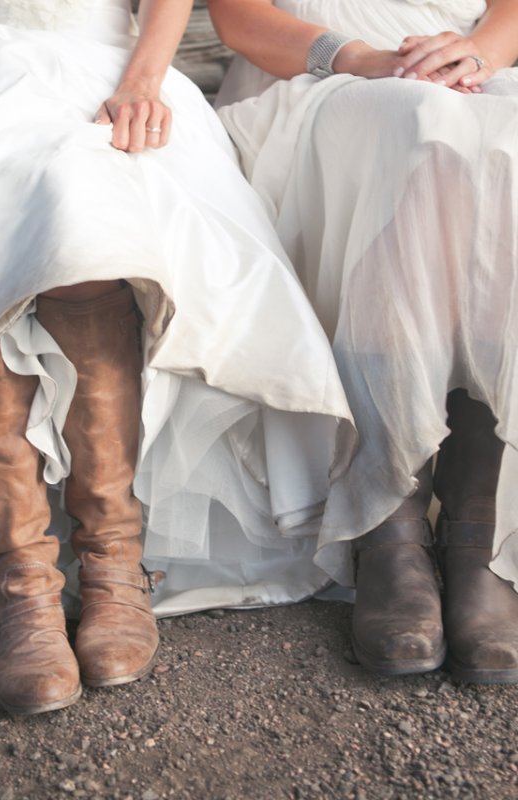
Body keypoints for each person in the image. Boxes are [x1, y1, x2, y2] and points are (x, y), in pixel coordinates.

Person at [0, 0, 356, 715]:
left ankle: (113, 564)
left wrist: (143, 81)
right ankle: (22, 586)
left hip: (118, 74)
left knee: (91, 220)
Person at [208, 0, 518, 683]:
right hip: (317, 78)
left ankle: (475, 532)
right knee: (413, 128)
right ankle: (390, 528)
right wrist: (360, 57)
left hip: (467, 75)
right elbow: (238, 16)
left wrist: (479, 57)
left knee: (509, 137)